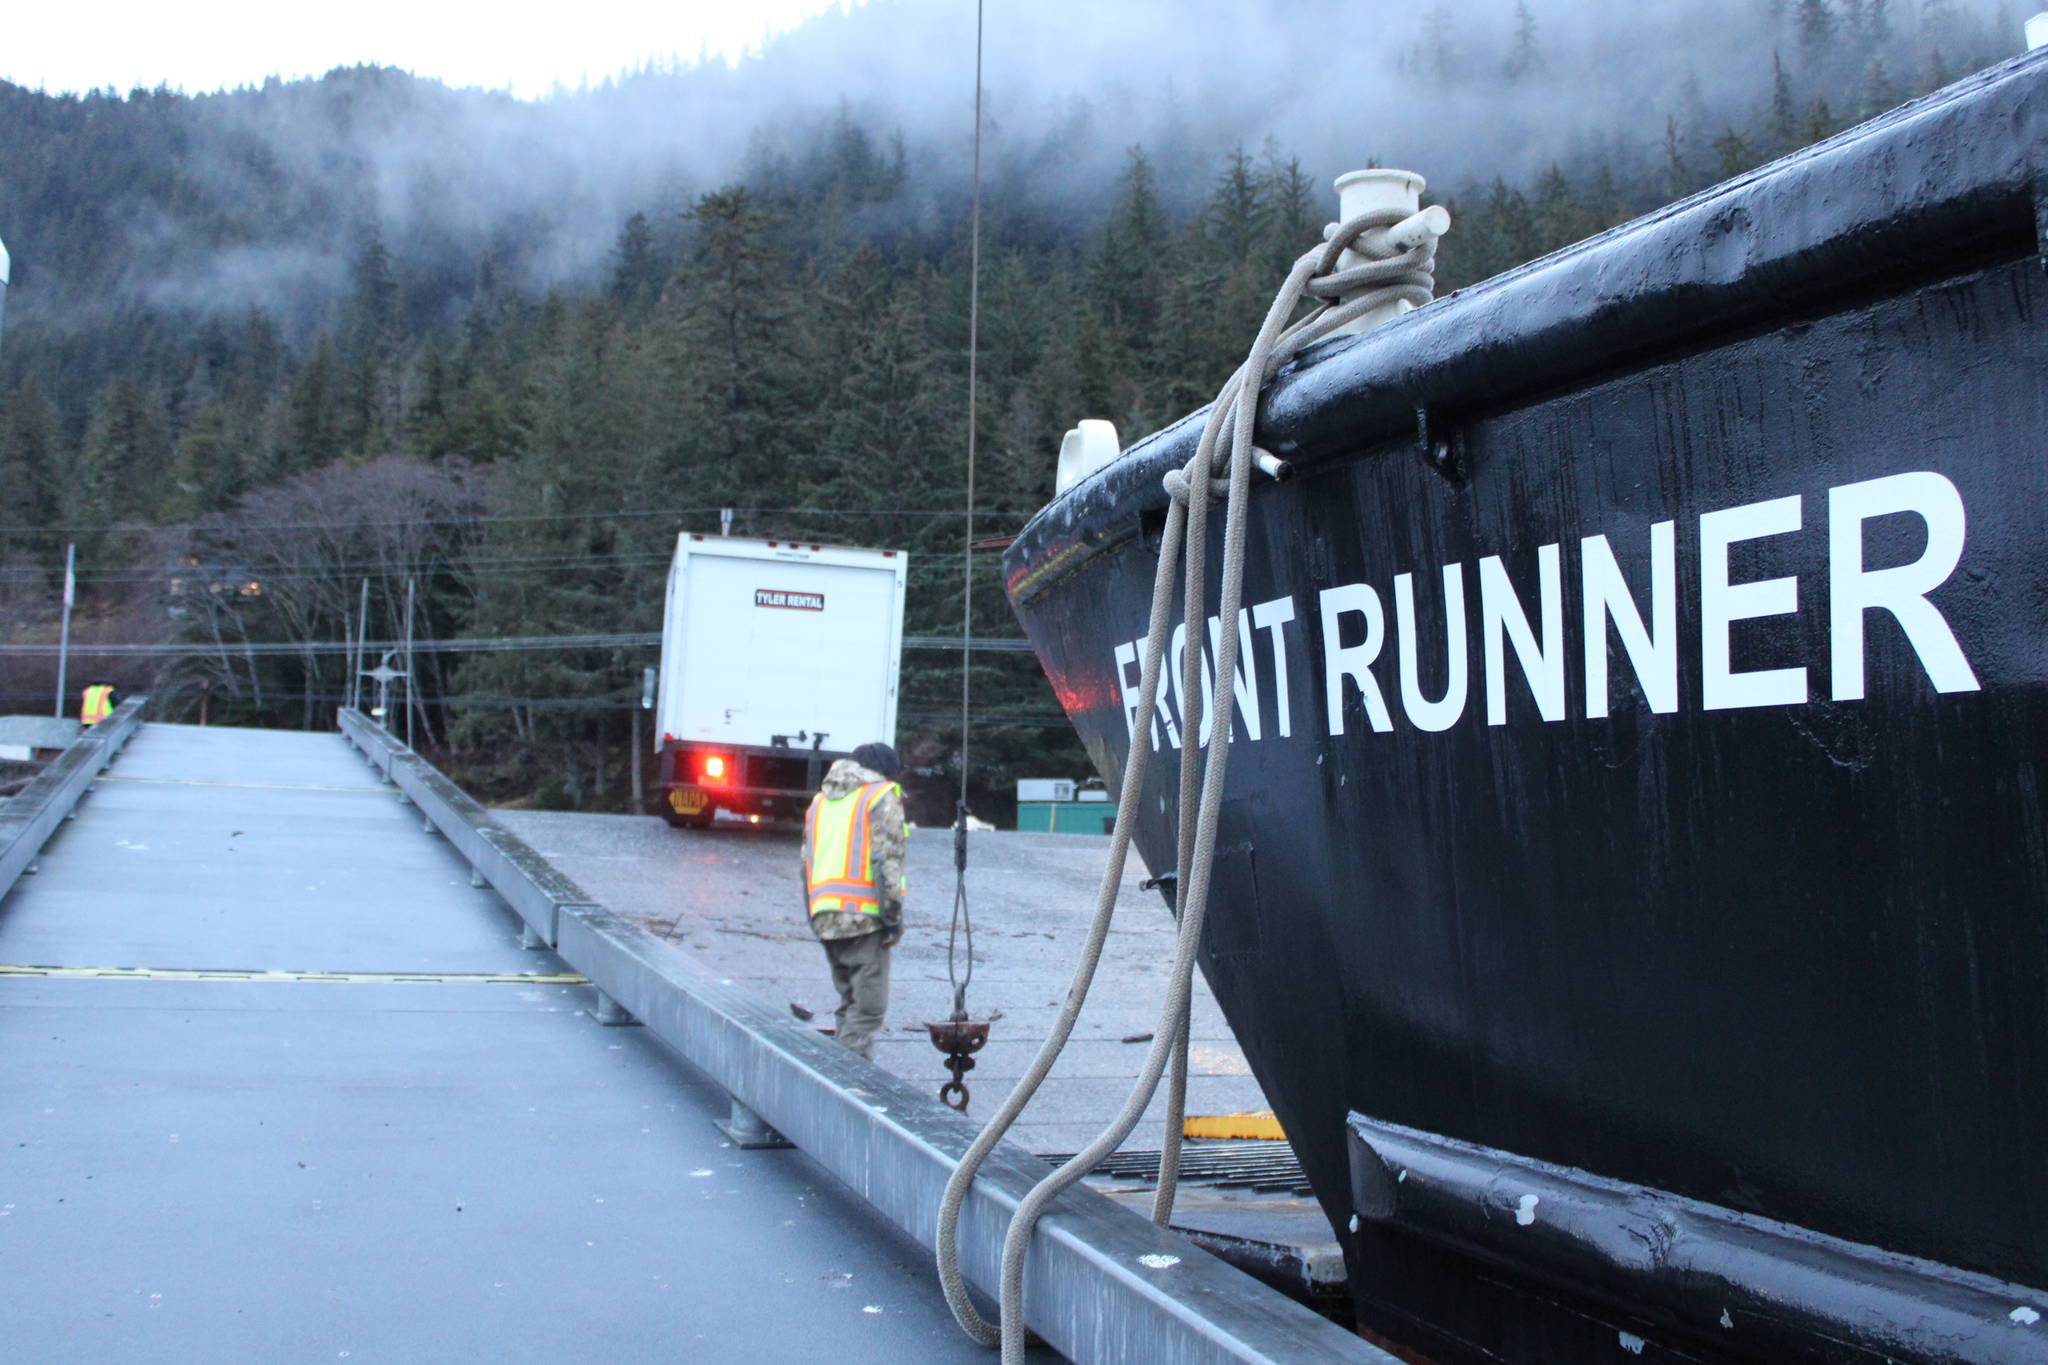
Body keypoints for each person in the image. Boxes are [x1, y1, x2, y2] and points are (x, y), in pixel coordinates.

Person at [801, 741, 906, 1060]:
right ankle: (849, 1088)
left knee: (849, 1003)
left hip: (824, 913)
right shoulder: (880, 796)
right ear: (886, 771)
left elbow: (805, 863)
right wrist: (893, 917)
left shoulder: (820, 802)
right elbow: (886, 860)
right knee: (868, 1010)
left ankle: (837, 1076)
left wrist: (814, 914)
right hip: (864, 916)